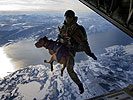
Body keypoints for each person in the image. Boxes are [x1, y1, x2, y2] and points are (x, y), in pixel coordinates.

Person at [57, 10, 97, 94]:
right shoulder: (63, 28)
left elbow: (84, 43)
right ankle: (79, 85)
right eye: (67, 16)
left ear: (72, 17)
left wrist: (89, 53)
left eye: (69, 17)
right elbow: (60, 37)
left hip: (71, 49)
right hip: (64, 49)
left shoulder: (79, 29)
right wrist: (60, 39)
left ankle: (79, 85)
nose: (67, 18)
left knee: (69, 69)